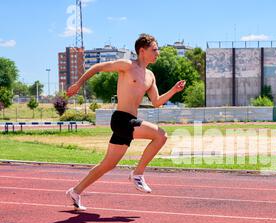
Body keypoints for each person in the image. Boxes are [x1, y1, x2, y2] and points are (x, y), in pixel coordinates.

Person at [65, 34, 186, 211]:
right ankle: (137, 174)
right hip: (122, 119)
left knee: (108, 164)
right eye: (154, 49)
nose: (157, 53)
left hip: (128, 121)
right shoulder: (127, 65)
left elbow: (156, 102)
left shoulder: (150, 76)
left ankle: (75, 191)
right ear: (142, 51)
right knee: (161, 136)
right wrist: (78, 84)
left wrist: (174, 90)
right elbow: (98, 67)